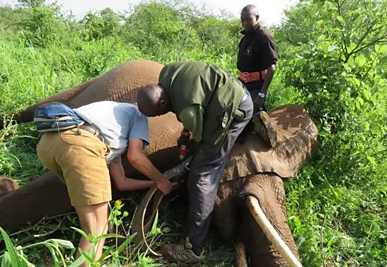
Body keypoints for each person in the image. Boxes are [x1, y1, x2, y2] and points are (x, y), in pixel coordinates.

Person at [136, 61, 253, 263]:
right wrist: (186, 131)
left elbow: (201, 135)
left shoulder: (188, 109)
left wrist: (195, 144)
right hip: (229, 90)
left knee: (202, 175)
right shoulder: (167, 74)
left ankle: (193, 248)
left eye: (158, 113)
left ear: (162, 103)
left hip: (235, 108)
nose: (160, 116)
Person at [36, 101, 173, 266]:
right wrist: (160, 179)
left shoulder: (112, 129)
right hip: (79, 143)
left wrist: (153, 184)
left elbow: (122, 183)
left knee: (98, 220)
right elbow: (135, 156)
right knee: (95, 228)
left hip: (48, 144)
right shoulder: (139, 114)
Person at [238, 4, 278, 112]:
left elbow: (271, 68)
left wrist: (261, 94)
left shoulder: (264, 37)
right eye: (242, 20)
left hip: (256, 88)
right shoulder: (245, 39)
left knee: (255, 121)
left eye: (248, 19)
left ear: (257, 18)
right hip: (243, 85)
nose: (245, 23)